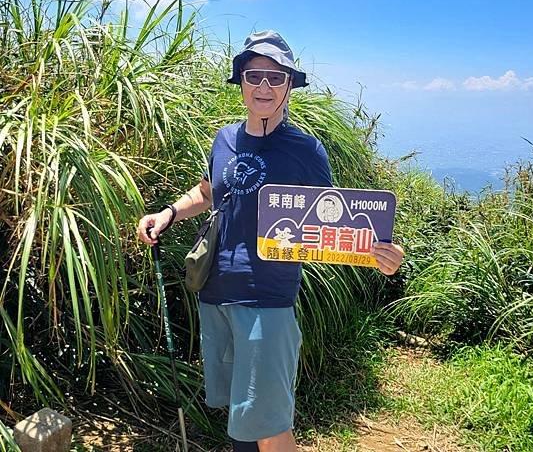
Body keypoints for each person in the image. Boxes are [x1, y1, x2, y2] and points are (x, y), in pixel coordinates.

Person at [137, 31, 404, 452]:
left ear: (289, 86)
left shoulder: (305, 150)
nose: (264, 86)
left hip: (268, 300)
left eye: (275, 77)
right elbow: (208, 193)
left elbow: (333, 220)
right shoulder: (224, 139)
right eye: (254, 75)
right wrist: (168, 212)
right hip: (215, 293)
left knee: (269, 424)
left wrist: (381, 253)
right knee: (240, 412)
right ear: (240, 81)